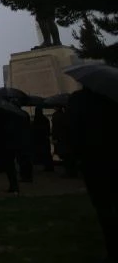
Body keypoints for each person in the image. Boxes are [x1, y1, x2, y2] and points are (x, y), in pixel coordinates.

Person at [69, 87, 118, 263]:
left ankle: (112, 249)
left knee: (104, 206)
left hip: (93, 159)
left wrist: (76, 157)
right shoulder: (112, 97)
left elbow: (73, 130)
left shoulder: (79, 100)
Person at [52, 106, 77, 178]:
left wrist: (54, 138)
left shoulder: (56, 116)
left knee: (65, 156)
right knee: (69, 155)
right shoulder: (66, 116)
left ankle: (68, 172)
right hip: (67, 139)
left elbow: (55, 128)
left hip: (61, 139)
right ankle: (72, 172)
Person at [32, 107, 54, 172]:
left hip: (39, 139)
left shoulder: (36, 120)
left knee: (42, 153)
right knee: (47, 154)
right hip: (45, 139)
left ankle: (46, 166)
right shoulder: (45, 119)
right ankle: (49, 166)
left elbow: (34, 130)